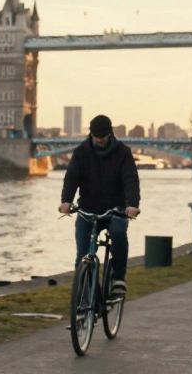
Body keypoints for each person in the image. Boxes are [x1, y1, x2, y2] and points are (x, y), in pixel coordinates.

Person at [58, 115, 140, 296]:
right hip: (88, 208)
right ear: (91, 134)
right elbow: (71, 178)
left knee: (118, 234)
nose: (100, 140)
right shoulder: (81, 152)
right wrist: (66, 201)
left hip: (116, 209)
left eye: (103, 136)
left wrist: (132, 205)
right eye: (96, 136)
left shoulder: (123, 153)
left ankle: (118, 279)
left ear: (110, 134)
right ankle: (86, 299)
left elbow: (130, 180)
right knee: (82, 256)